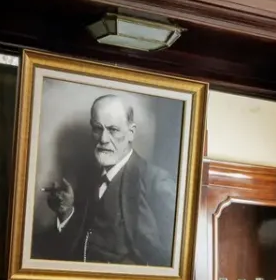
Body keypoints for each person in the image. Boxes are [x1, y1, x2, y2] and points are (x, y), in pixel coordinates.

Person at [77, 93, 177, 267]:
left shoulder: (157, 182)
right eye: (97, 128)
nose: (103, 139)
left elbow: (172, 258)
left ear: (131, 133)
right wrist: (65, 213)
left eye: (113, 130)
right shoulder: (90, 176)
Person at [32, 175, 86, 261]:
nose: (59, 197)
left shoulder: (87, 232)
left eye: (64, 190)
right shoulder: (39, 240)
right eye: (53, 192)